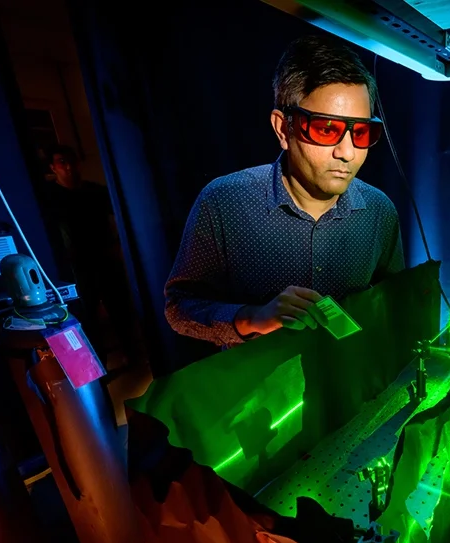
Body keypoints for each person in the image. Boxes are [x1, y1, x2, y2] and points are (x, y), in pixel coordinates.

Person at [164, 35, 405, 349]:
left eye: (360, 132)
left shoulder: (379, 210)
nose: (347, 152)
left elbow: (394, 301)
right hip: (261, 380)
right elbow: (179, 306)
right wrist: (252, 318)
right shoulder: (224, 202)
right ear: (283, 128)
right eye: (326, 129)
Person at [39, 144, 137, 364]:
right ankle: (97, 362)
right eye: (62, 162)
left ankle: (132, 354)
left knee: (119, 308)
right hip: (75, 264)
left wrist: (118, 246)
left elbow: (118, 217)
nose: (68, 166)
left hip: (105, 258)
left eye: (71, 161)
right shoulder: (50, 196)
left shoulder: (95, 191)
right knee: (87, 314)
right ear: (53, 167)